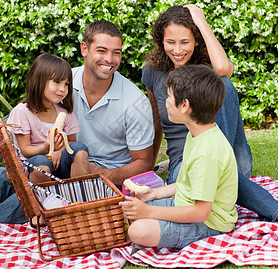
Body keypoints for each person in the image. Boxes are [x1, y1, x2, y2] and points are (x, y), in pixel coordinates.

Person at [142, 4, 278, 222]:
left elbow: (224, 70)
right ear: (161, 41)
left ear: (197, 40)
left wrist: (201, 22)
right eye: (170, 42)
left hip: (228, 157)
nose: (178, 50)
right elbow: (156, 119)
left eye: (185, 42)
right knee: (209, 173)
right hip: (184, 164)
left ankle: (274, 210)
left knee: (223, 83)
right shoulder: (152, 72)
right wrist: (149, 165)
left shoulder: (206, 69)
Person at [120, 65, 238, 249]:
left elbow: (201, 212)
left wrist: (150, 211)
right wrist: (154, 194)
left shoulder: (206, 153)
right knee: (128, 210)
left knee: (138, 230)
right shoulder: (197, 133)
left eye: (168, 96)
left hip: (208, 224)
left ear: (184, 105)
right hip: (184, 204)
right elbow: (186, 185)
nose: (165, 102)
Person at [71, 20, 154, 188]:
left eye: (116, 52)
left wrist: (105, 174)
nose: (109, 59)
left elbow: (144, 163)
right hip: (67, 167)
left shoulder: (135, 102)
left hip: (111, 181)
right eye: (102, 51)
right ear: (84, 49)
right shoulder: (63, 84)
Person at [7, 53, 89, 184]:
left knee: (80, 148)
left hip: (60, 165)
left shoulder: (64, 112)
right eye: (57, 82)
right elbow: (25, 150)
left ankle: (80, 192)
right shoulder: (22, 112)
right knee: (42, 163)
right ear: (39, 80)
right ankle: (44, 202)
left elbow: (72, 141)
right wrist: (46, 148)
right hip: (33, 166)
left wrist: (59, 150)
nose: (62, 89)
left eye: (66, 84)